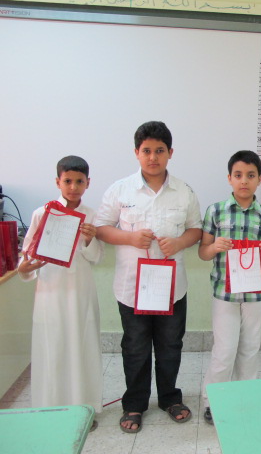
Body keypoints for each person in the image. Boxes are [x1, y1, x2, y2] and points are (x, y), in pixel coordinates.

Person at [96, 121, 202, 433]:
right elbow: (101, 228)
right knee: (135, 347)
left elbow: (196, 229)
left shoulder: (184, 191)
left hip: (171, 288)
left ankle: (169, 398)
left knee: (170, 345)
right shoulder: (120, 189)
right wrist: (129, 238)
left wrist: (180, 243)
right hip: (132, 288)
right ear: (136, 153)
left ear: (170, 153)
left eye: (159, 150)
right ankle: (134, 404)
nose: (153, 157)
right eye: (146, 151)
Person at [17, 155, 103, 431]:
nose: (73, 187)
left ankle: (84, 408)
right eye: (68, 181)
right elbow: (26, 256)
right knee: (52, 348)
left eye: (80, 181)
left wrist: (89, 239)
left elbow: (96, 257)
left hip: (80, 291)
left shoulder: (92, 215)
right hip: (50, 292)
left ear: (88, 183)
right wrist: (24, 268)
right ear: (58, 182)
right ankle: (50, 409)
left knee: (81, 345)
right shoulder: (42, 213)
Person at [198, 150, 261, 424]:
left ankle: (246, 398)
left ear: (259, 180)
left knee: (250, 348)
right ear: (229, 178)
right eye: (238, 175)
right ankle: (215, 401)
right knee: (224, 349)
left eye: (251, 175)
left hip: (255, 294)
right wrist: (214, 247)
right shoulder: (215, 211)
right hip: (225, 293)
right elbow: (202, 252)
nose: (244, 181)